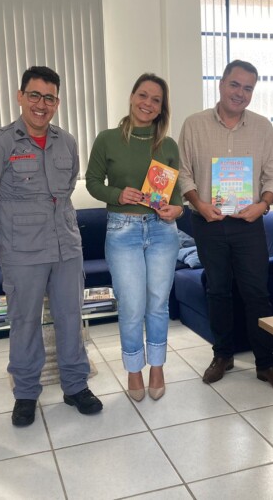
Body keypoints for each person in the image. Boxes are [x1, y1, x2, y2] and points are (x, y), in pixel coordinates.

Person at [0, 66, 102, 426]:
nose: (41, 104)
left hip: (66, 246)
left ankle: (75, 386)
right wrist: (13, 226)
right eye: (34, 95)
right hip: (22, 252)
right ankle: (26, 393)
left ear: (57, 102)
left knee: (71, 317)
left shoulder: (67, 141)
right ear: (20, 96)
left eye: (49, 98)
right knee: (24, 321)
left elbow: (67, 186)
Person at [178, 60, 273, 396]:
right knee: (217, 291)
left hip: (249, 224)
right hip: (208, 223)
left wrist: (263, 204)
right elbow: (184, 172)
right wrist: (199, 203)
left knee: (256, 293)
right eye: (235, 84)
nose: (240, 93)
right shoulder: (194, 124)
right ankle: (223, 356)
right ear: (221, 84)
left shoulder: (262, 127)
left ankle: (266, 364)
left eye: (248, 88)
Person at [86, 73, 182, 402]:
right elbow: (93, 182)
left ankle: (157, 367)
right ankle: (133, 369)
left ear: (162, 108)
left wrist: (176, 210)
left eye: (156, 100)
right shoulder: (107, 139)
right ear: (131, 97)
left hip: (162, 231)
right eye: (143, 95)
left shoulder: (168, 145)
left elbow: (177, 196)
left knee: (157, 305)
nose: (148, 103)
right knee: (131, 307)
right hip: (122, 230)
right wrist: (118, 194)